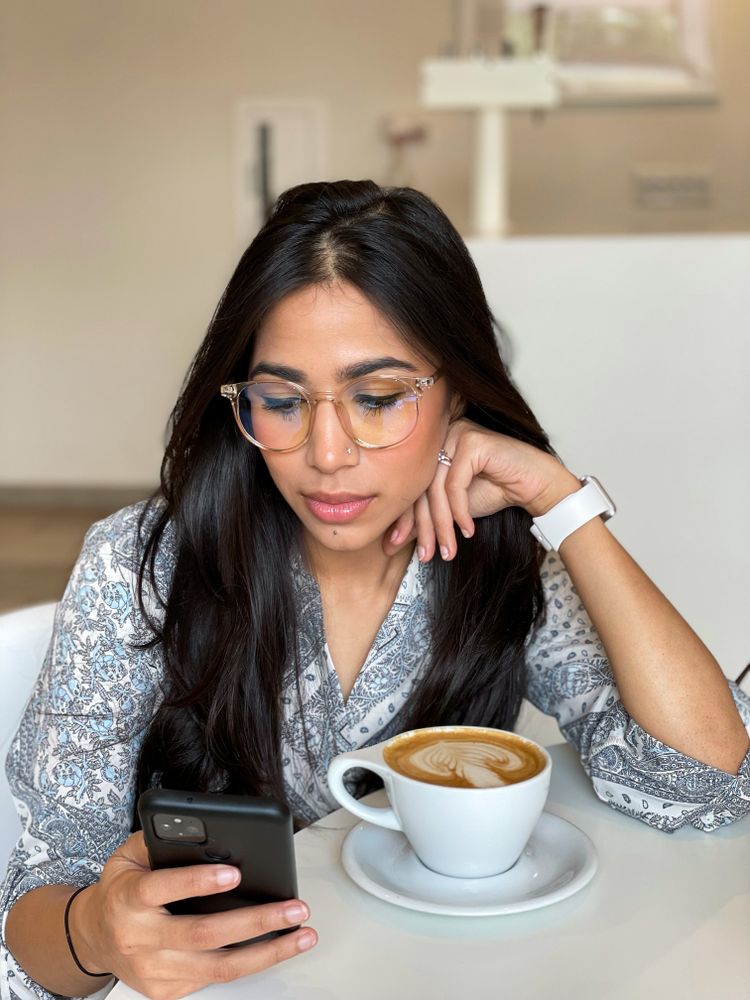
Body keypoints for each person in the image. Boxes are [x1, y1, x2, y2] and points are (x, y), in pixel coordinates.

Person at [2, 180, 748, 1000]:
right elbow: (34, 920)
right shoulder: (138, 569)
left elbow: (702, 781)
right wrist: (97, 933)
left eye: (379, 398)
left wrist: (561, 505)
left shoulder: (495, 558)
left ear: (458, 390)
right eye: (280, 401)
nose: (327, 452)